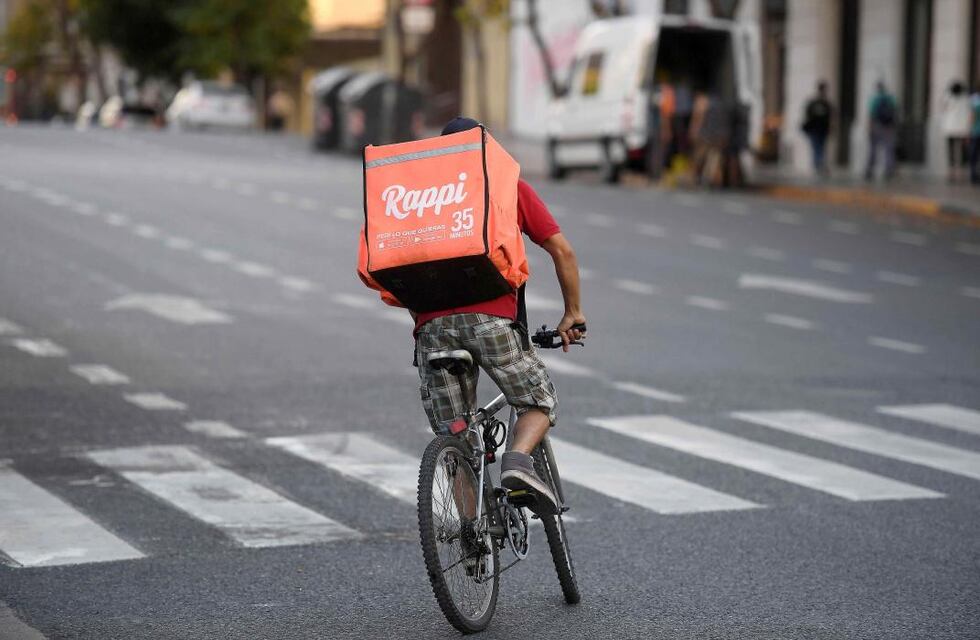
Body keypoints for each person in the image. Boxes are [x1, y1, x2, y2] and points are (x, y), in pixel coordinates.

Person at [413, 117, 587, 516]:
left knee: (455, 436)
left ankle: (472, 541)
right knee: (537, 401)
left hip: (431, 331)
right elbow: (562, 252)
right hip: (491, 320)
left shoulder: (420, 200)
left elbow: (402, 268)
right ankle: (518, 463)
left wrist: (428, 321)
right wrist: (572, 312)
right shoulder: (507, 187)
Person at [864, 81, 899, 181]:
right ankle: (889, 170)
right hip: (889, 127)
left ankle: (870, 169)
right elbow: (895, 113)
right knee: (889, 149)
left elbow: (871, 114)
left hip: (877, 125)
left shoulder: (875, 99)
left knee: (873, 149)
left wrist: (869, 127)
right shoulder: (891, 99)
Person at [939, 81, 972, 182]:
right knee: (961, 152)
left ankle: (951, 173)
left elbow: (942, 107)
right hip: (961, 129)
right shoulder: (966, 98)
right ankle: (959, 173)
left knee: (951, 152)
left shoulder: (948, 97)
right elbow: (968, 114)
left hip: (950, 128)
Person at [802, 81, 833, 177]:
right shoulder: (821, 103)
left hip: (820, 130)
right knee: (818, 148)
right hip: (815, 130)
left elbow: (830, 117)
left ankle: (818, 165)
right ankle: (818, 165)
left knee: (818, 148)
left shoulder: (824, 103)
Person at [970, 82, 980, 185]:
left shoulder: (974, 100)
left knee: (974, 155)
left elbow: (971, 117)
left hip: (975, 132)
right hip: (976, 131)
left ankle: (974, 176)